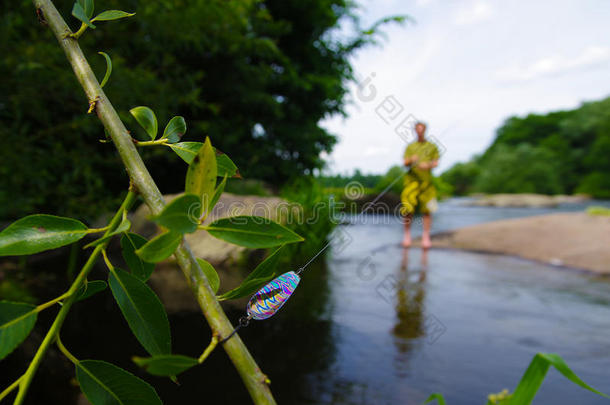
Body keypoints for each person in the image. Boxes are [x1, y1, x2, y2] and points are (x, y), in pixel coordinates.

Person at [401, 122, 439, 248]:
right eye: (417, 129)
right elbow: (404, 162)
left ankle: (426, 236)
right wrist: (411, 160)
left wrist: (427, 165)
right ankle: (407, 235)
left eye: (422, 129)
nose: (420, 131)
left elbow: (436, 163)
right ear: (415, 130)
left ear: (425, 130)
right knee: (407, 209)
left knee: (427, 210)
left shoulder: (432, 146)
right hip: (411, 182)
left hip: (427, 183)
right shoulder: (410, 147)